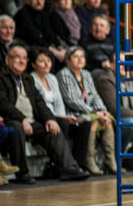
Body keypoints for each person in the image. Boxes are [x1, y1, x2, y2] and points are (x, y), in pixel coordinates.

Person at [0, 44, 90, 182]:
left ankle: (69, 169)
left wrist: (50, 119)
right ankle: (22, 173)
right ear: (7, 60)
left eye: (24, 58)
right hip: (8, 118)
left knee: (53, 129)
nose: (22, 61)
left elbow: (39, 102)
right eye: (17, 57)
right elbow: (1, 104)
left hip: (30, 120)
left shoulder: (27, 78)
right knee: (16, 127)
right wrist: (22, 119)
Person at [29, 47, 93, 175]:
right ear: (33, 64)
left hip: (58, 116)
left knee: (84, 124)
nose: (47, 64)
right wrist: (59, 118)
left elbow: (59, 104)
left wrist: (64, 116)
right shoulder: (31, 79)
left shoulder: (52, 78)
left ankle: (79, 165)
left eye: (49, 61)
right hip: (43, 119)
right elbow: (36, 107)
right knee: (62, 123)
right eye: (42, 61)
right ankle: (61, 167)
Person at [57, 46, 116, 175]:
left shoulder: (86, 74)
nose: (80, 59)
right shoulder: (64, 74)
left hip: (91, 112)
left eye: (82, 57)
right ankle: (89, 160)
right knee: (93, 121)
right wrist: (95, 113)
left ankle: (110, 160)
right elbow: (71, 100)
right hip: (73, 114)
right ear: (68, 61)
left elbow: (94, 96)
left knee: (107, 121)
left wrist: (102, 110)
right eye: (76, 57)